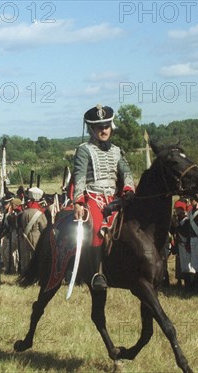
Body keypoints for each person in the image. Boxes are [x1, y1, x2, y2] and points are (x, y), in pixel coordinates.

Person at [73, 104, 135, 291]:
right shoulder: (84, 150)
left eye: (106, 126)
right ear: (91, 129)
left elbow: (127, 172)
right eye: (100, 127)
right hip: (94, 196)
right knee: (96, 227)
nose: (104, 130)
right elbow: (80, 176)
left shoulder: (117, 150)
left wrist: (129, 188)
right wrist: (78, 201)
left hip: (115, 198)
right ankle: (97, 273)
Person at [19, 187, 47, 272]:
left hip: (25, 237)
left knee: (26, 258)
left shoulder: (24, 212)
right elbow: (44, 228)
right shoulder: (39, 213)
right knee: (36, 257)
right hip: (36, 237)